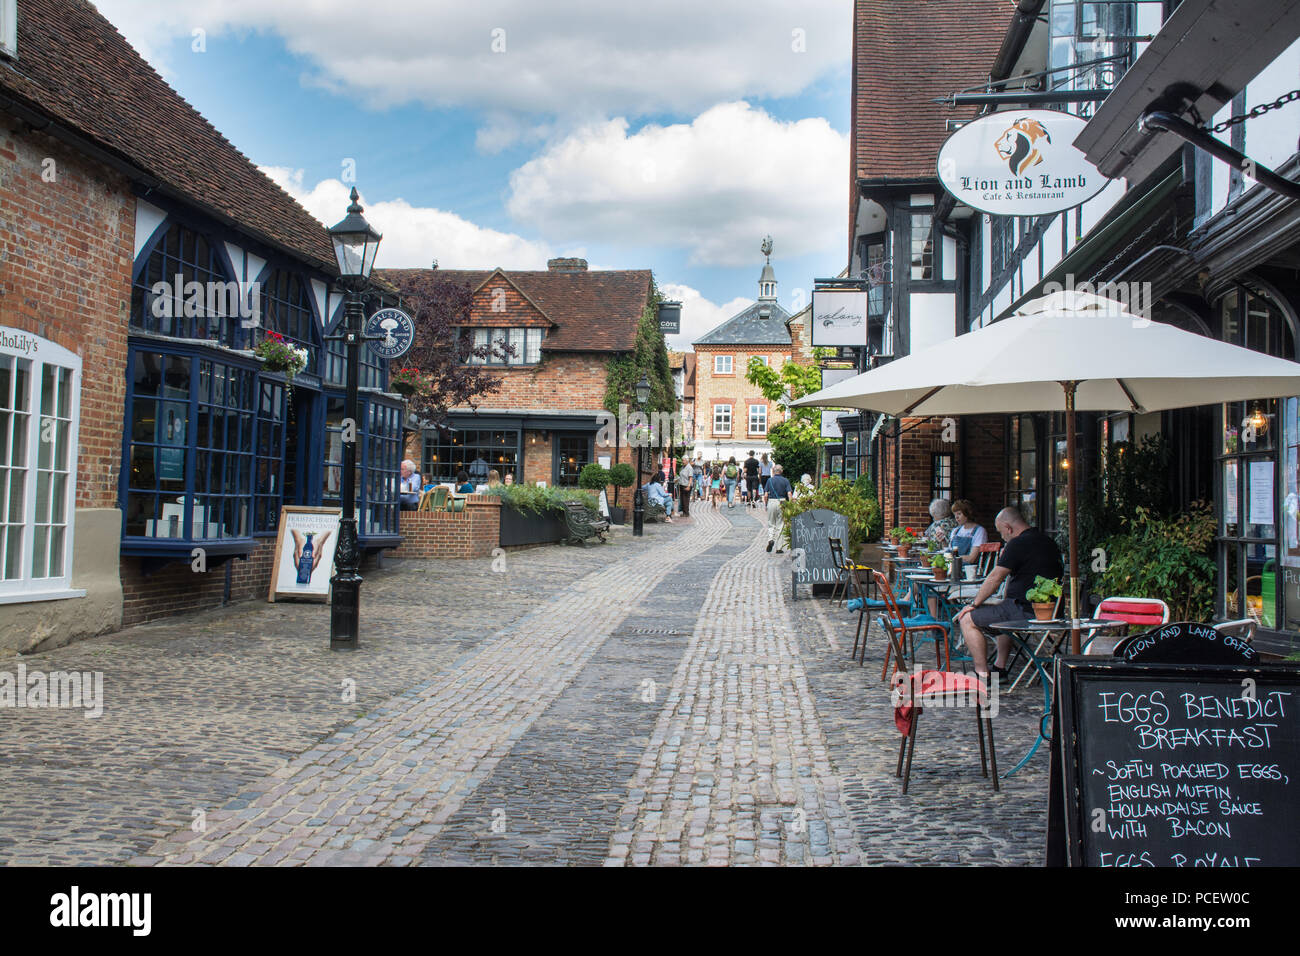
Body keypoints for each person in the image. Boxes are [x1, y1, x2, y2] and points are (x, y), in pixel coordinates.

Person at [953, 505, 1064, 678]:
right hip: (1052, 610)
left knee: (967, 619)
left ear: (1008, 528)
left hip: (1025, 611)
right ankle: (1000, 668)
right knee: (1003, 609)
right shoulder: (1047, 541)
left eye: (1001, 532)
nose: (1002, 537)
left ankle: (982, 675)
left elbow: (995, 578)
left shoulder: (1018, 543)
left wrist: (974, 604)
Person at [948, 499, 987, 567]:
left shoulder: (979, 531)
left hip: (969, 570)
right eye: (955, 514)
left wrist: (952, 558)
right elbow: (949, 552)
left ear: (968, 513)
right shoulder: (956, 531)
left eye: (959, 514)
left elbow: (972, 558)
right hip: (953, 568)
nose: (956, 517)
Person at [764, 464, 793, 553]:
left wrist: (766, 504)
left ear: (774, 470)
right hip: (782, 502)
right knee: (781, 525)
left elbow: (765, 495)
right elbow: (789, 494)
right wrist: (790, 505)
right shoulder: (785, 480)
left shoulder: (770, 480)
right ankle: (779, 548)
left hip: (772, 501)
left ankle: (770, 539)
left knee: (771, 523)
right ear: (782, 471)